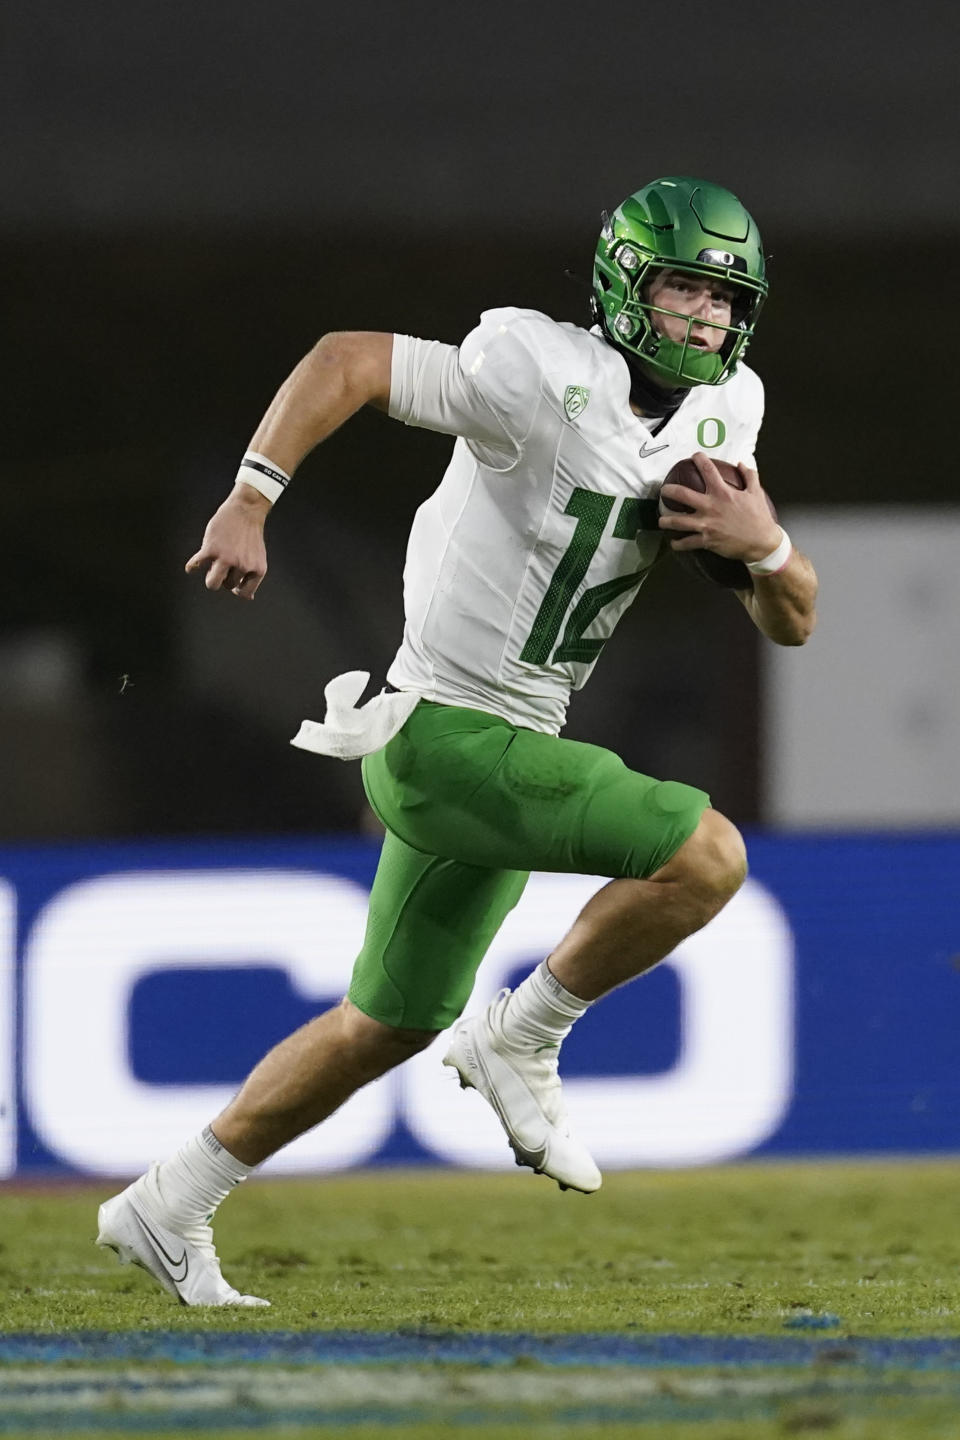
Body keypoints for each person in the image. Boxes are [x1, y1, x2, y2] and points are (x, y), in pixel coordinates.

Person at [96, 176, 818, 1307]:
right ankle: (523, 1036)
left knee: (381, 1025)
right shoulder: (538, 370)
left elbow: (794, 622)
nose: (708, 321)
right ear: (628, 289)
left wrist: (767, 549)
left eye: (726, 300)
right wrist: (251, 498)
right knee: (707, 855)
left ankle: (167, 1200)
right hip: (445, 732)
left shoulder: (731, 411)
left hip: (507, 746)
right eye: (684, 290)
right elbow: (345, 359)